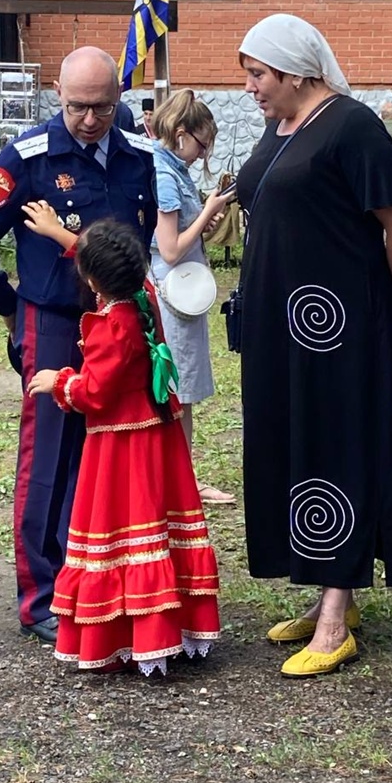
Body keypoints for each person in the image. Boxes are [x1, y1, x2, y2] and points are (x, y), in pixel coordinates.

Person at [0, 46, 159, 644]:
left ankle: (102, 579)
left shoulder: (138, 155)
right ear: (56, 96)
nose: (90, 119)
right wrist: (12, 307)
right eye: (77, 107)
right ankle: (43, 596)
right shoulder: (28, 158)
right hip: (56, 322)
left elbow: (141, 245)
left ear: (119, 99)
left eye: (103, 107)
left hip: (122, 322)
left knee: (114, 454)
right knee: (52, 458)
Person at [236, 13, 392, 679]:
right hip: (279, 332)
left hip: (338, 328)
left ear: (293, 69)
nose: (251, 87)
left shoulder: (352, 126)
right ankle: (324, 589)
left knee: (336, 447)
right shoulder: (280, 127)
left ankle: (337, 619)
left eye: (258, 74)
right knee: (293, 447)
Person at [25, 217, 221, 674]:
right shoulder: (144, 296)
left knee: (123, 534)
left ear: (94, 281)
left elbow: (95, 392)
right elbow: (108, 265)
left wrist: (60, 382)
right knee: (159, 527)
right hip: (159, 435)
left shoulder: (113, 325)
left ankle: (129, 635)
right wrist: (63, 236)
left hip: (120, 449)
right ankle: (169, 627)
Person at [149, 89, 237, 504]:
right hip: (174, 294)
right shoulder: (165, 175)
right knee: (177, 391)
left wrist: (203, 217)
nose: (203, 157)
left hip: (180, 290)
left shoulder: (171, 168)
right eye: (202, 146)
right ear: (182, 133)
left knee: (180, 392)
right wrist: (208, 211)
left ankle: (181, 478)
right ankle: (181, 483)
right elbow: (169, 248)